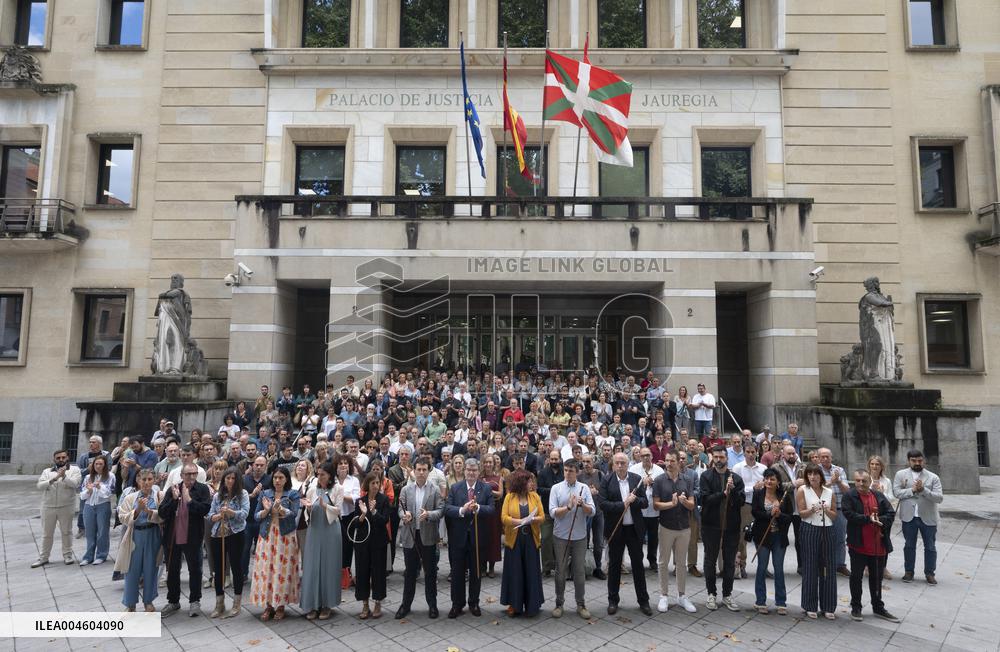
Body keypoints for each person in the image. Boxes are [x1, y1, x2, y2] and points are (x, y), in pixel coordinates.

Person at [842, 469, 899, 623]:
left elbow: (890, 513)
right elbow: (848, 514)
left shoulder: (878, 495)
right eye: (858, 481)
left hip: (878, 545)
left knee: (877, 578)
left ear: (870, 482)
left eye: (864, 481)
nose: (861, 484)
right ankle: (856, 606)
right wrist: (868, 519)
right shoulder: (849, 496)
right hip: (858, 545)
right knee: (856, 577)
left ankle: (878, 606)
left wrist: (880, 520)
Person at [444, 457, 495, 618]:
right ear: (464, 471)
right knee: (457, 573)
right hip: (458, 537)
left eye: (474, 470)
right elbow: (447, 508)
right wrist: (462, 510)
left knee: (476, 572)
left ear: (478, 472)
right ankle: (457, 604)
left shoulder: (485, 488)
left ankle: (474, 602)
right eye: (468, 470)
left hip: (478, 538)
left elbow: (491, 509)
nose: (471, 473)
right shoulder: (455, 488)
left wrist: (478, 508)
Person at [159, 462, 212, 617]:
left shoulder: (202, 489)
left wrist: (189, 501)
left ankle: (195, 601)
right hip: (172, 537)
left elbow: (205, 510)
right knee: (172, 570)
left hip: (193, 537)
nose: (192, 477)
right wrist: (174, 500)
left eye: (194, 473)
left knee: (195, 570)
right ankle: (173, 601)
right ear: (182, 475)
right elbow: (162, 512)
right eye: (188, 474)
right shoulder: (173, 489)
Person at [395, 458, 445, 620]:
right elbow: (400, 509)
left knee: (430, 573)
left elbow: (441, 510)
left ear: (429, 471)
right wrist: (405, 515)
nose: (421, 472)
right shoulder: (406, 489)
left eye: (424, 469)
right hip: (410, 535)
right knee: (410, 573)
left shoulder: (435, 489)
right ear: (414, 471)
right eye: (419, 469)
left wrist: (429, 514)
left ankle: (432, 605)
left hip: (428, 536)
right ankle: (405, 605)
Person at [251, 466, 301, 621]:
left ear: (286, 479)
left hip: (285, 536)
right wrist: (266, 510)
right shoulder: (265, 493)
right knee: (266, 569)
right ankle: (268, 605)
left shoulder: (293, 494)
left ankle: (280, 605)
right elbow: (256, 516)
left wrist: (281, 509)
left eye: (281, 478)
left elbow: (294, 514)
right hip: (267, 535)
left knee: (282, 570)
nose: (277, 481)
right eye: (275, 478)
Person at [549, 459, 596, 620]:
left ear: (577, 472)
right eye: (566, 470)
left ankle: (581, 604)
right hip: (560, 536)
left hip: (579, 536)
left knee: (579, 571)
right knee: (560, 571)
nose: (568, 473)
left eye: (571, 471)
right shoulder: (556, 488)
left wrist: (583, 506)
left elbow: (592, 511)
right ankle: (559, 603)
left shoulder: (584, 488)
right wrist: (568, 507)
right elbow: (553, 512)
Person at [699, 445, 744, 612]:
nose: (718, 460)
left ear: (727, 458)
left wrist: (733, 491)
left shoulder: (736, 479)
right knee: (710, 560)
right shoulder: (706, 476)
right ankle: (711, 593)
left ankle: (727, 594)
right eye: (716, 457)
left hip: (731, 527)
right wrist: (723, 493)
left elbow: (741, 502)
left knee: (729, 561)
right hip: (711, 525)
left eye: (722, 457)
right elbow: (705, 499)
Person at [652, 451, 697, 613]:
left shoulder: (687, 480)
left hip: (684, 527)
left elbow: (692, 504)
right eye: (667, 460)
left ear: (679, 462)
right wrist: (671, 504)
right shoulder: (659, 480)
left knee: (681, 563)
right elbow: (656, 505)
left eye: (672, 461)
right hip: (666, 526)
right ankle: (663, 595)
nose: (669, 464)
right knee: (663, 562)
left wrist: (684, 502)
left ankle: (681, 595)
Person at [300, 461, 344, 620]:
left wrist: (325, 506)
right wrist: (308, 508)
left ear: (330, 475)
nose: (319, 477)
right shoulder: (312, 489)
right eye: (318, 474)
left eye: (323, 474)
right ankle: (312, 604)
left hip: (330, 530)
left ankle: (326, 604)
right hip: (315, 529)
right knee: (312, 566)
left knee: (328, 566)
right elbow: (308, 511)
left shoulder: (338, 489)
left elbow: (339, 510)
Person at [893, 449, 943, 585]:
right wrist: (912, 490)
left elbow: (939, 498)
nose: (917, 463)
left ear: (924, 461)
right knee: (909, 545)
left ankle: (930, 573)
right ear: (908, 461)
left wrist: (923, 490)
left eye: (920, 460)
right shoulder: (900, 474)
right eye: (913, 460)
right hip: (909, 516)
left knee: (930, 546)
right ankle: (909, 572)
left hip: (928, 517)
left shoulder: (933, 477)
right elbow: (896, 492)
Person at [500, 469, 545, 617]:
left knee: (531, 571)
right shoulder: (509, 497)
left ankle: (532, 604)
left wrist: (532, 519)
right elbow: (504, 518)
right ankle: (514, 604)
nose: (531, 483)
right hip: (515, 539)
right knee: (515, 572)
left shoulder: (535, 496)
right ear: (520, 483)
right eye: (528, 481)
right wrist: (519, 521)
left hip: (531, 538)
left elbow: (542, 517)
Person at [796, 462, 838, 619]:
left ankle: (828, 606)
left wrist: (827, 510)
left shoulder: (829, 492)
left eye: (815, 474)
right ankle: (809, 605)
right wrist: (812, 509)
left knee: (828, 567)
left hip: (827, 530)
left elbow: (835, 515)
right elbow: (801, 513)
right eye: (809, 474)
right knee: (810, 567)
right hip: (810, 529)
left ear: (821, 476)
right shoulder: (803, 490)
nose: (812, 477)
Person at [207, 468, 250, 618]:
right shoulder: (218, 495)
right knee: (218, 569)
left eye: (233, 478)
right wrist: (217, 516)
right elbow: (210, 515)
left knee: (236, 567)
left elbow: (244, 514)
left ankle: (237, 603)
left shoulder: (242, 494)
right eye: (228, 478)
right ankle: (219, 603)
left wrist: (231, 513)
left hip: (235, 533)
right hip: (217, 534)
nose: (230, 481)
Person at [750, 468, 793, 615]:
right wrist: (769, 514)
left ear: (778, 482)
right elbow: (755, 512)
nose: (769, 481)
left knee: (778, 568)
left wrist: (779, 515)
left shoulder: (784, 496)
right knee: (762, 567)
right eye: (767, 478)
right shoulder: (758, 494)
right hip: (762, 536)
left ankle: (781, 602)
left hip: (779, 537)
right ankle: (760, 601)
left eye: (772, 479)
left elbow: (789, 517)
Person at [117, 469, 161, 612]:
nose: (146, 482)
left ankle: (148, 601)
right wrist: (137, 510)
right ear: (138, 480)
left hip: (153, 535)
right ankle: (130, 603)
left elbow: (164, 516)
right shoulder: (130, 498)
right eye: (143, 479)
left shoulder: (159, 496)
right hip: (135, 535)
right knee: (131, 570)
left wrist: (149, 512)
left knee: (151, 568)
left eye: (150, 479)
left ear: (154, 480)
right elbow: (122, 517)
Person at [33, 450, 82, 567]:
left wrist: (64, 476)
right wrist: (54, 479)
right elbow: (39, 485)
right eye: (58, 458)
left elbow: (75, 484)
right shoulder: (47, 471)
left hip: (66, 506)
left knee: (66, 532)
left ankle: (67, 555)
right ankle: (43, 557)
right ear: (54, 459)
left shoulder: (74, 470)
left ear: (67, 458)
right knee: (47, 533)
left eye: (63, 457)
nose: (61, 460)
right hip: (48, 506)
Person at [352, 471, 391, 619]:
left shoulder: (384, 500)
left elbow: (384, 520)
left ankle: (378, 603)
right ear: (367, 484)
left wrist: (374, 511)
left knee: (378, 572)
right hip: (363, 542)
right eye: (372, 483)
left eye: (377, 483)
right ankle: (365, 604)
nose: (375, 485)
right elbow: (356, 524)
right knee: (362, 572)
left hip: (378, 541)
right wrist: (363, 514)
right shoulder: (360, 501)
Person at [733, 443, 766, 579]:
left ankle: (763, 567)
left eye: (753, 452)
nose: (751, 454)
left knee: (762, 537)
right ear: (744, 452)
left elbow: (767, 485)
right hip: (745, 505)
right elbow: (736, 488)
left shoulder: (763, 468)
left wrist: (763, 486)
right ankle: (741, 565)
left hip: (760, 505)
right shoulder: (738, 467)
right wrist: (753, 488)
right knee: (743, 537)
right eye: (748, 452)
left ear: (757, 452)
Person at [771, 444, 805, 573]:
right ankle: (778, 567)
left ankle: (801, 566)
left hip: (800, 508)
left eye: (793, 453)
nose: (791, 456)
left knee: (801, 540)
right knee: (781, 539)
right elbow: (775, 485)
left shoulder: (803, 467)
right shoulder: (776, 467)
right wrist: (793, 484)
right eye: (789, 453)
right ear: (783, 454)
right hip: (784, 508)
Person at [817, 448, 851, 577]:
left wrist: (838, 481)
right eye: (823, 456)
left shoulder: (839, 470)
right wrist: (831, 482)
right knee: (822, 538)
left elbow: (847, 491)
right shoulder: (815, 470)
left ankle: (840, 564)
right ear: (818, 458)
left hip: (839, 508)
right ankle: (823, 564)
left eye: (828, 456)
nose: (825, 459)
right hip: (822, 510)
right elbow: (816, 489)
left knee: (840, 538)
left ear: (831, 457)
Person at [629, 448, 663, 571]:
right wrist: (643, 483)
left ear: (652, 456)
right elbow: (629, 488)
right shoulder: (633, 470)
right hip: (639, 511)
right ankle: (638, 560)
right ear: (639, 457)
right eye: (643, 455)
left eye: (648, 455)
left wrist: (654, 484)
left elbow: (663, 488)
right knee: (638, 538)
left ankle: (652, 560)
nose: (645, 457)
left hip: (654, 510)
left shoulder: (659, 470)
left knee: (653, 538)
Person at [79, 455, 114, 566]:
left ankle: (101, 555)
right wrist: (88, 491)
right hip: (89, 505)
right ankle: (88, 556)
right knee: (89, 532)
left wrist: (99, 487)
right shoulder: (87, 477)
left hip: (103, 505)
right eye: (96, 464)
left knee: (102, 532)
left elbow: (108, 493)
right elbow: (82, 495)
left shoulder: (110, 476)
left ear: (105, 465)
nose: (98, 466)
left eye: (101, 464)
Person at [334, 454, 361, 590]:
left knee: (348, 545)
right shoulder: (332, 479)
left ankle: (346, 572)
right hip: (334, 516)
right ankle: (335, 573)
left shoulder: (354, 480)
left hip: (349, 516)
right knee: (335, 545)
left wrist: (342, 496)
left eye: (345, 463)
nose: (343, 465)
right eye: (340, 463)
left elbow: (356, 498)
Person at [536, 450, 563, 576]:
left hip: (562, 511)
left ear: (560, 459)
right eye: (552, 459)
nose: (554, 461)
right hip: (547, 510)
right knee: (546, 538)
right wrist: (554, 490)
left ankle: (560, 565)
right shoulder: (543, 473)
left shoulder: (564, 471)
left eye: (556, 459)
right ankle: (546, 566)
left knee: (560, 540)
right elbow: (539, 489)